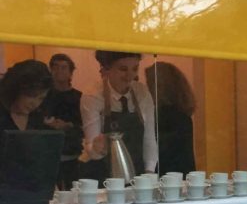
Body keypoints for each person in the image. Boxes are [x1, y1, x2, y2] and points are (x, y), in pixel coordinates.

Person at [80, 50, 157, 182]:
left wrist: (149, 174)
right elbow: (91, 149)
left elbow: (149, 139)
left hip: (136, 171)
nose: (130, 75)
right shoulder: (93, 96)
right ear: (107, 69)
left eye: (135, 69)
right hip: (102, 175)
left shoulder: (142, 92)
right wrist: (97, 149)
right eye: (123, 69)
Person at [145, 61, 196, 176]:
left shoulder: (163, 117)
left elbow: (157, 153)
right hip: (181, 179)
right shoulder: (182, 116)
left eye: (149, 85)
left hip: (167, 181)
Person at [40, 53, 83, 188]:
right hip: (47, 152)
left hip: (72, 153)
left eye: (63, 67)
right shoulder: (43, 96)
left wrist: (67, 125)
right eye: (55, 67)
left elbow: (83, 125)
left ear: (71, 72)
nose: (59, 71)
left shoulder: (79, 97)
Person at [0, 59, 54, 132]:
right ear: (16, 90)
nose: (35, 103)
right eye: (31, 96)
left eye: (41, 98)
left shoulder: (37, 118)